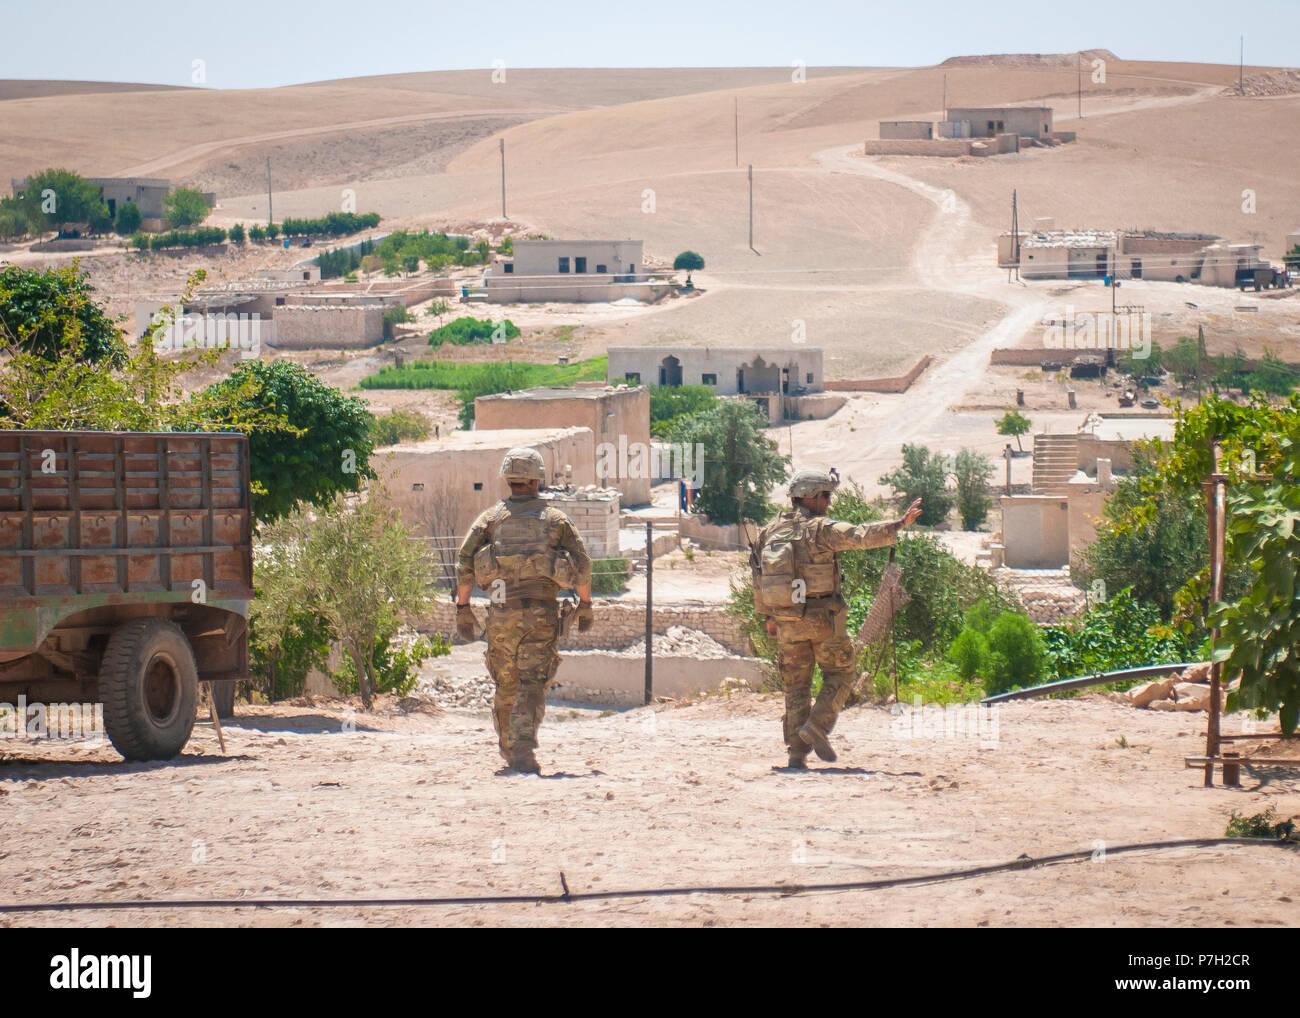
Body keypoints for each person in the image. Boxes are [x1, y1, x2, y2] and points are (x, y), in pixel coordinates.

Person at [753, 469, 922, 769]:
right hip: (823, 619)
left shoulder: (769, 531)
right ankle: (815, 727)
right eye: (826, 496)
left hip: (786, 622)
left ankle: (796, 753)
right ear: (810, 497)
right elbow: (860, 536)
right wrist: (898, 524)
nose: (829, 503)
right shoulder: (820, 529)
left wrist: (768, 616)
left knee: (796, 687)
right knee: (842, 673)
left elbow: (758, 575)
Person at [455, 448, 593, 773]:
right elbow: (583, 566)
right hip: (540, 617)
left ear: (508, 479)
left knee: (506, 684)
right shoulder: (556, 520)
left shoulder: (489, 519)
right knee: (532, 683)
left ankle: (509, 747)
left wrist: (462, 607)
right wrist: (585, 604)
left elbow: (464, 562)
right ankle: (522, 752)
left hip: (500, 616)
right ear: (536, 479)